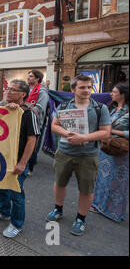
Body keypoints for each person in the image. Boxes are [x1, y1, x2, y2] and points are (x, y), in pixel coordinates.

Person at [46, 75, 111, 236]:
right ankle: (58, 209)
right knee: (60, 183)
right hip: (64, 153)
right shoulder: (64, 106)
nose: (86, 90)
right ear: (73, 89)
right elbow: (54, 125)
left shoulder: (100, 108)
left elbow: (105, 132)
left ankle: (81, 218)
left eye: (89, 87)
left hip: (88, 155)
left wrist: (84, 138)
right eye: (82, 87)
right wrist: (67, 133)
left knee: (86, 189)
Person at [0, 80, 40, 238]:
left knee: (16, 193)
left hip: (17, 159)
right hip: (1, 157)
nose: (8, 91)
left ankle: (16, 223)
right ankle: (3, 212)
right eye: (7, 89)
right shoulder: (4, 107)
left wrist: (23, 163)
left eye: (13, 90)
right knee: (1, 185)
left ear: (23, 94)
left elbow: (32, 140)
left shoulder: (29, 113)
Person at [91, 83, 129, 221]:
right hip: (106, 147)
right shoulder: (111, 108)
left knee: (117, 181)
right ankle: (98, 205)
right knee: (102, 177)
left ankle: (114, 211)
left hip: (120, 149)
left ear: (123, 94)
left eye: (114, 92)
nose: (111, 94)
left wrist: (113, 131)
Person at [26, 70, 49, 176]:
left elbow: (40, 107)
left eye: (31, 76)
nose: (28, 78)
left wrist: (25, 110)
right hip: (25, 119)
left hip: (36, 121)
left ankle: (29, 168)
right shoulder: (26, 89)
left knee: (33, 145)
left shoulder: (42, 92)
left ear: (37, 79)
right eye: (28, 76)